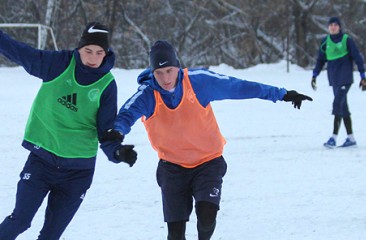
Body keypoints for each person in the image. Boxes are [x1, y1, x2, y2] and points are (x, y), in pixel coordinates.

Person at [102, 40, 312, 240]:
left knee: (206, 214)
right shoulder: (148, 94)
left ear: (178, 67)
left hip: (208, 161)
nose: (165, 78)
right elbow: (127, 114)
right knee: (175, 234)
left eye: (169, 71)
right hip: (172, 167)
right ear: (153, 72)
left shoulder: (199, 82)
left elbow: (240, 87)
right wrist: (118, 132)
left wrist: (282, 94)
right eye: (159, 73)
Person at [0, 22, 137, 240]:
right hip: (42, 160)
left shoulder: (107, 85)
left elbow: (106, 131)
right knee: (20, 221)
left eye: (99, 53)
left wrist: (118, 152)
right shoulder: (58, 64)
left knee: (51, 235)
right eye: (88, 51)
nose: (93, 57)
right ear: (79, 48)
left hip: (77, 172)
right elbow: (19, 52)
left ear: (106, 53)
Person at [311, 16, 366, 148]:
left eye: (335, 25)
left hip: (345, 78)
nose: (333, 27)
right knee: (344, 108)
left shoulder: (346, 40)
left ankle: (333, 137)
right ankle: (351, 138)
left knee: (337, 104)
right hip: (334, 79)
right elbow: (320, 60)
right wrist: (314, 75)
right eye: (331, 25)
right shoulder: (325, 41)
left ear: (339, 27)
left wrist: (363, 75)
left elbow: (357, 58)